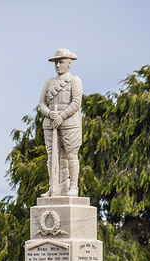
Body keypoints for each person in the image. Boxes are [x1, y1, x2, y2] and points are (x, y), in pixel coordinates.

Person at [39, 48, 82, 197]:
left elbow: (76, 103)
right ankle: (53, 187)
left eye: (61, 62)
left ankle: (73, 188)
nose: (58, 65)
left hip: (70, 124)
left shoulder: (75, 81)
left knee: (71, 155)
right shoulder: (49, 83)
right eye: (56, 62)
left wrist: (62, 116)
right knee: (52, 156)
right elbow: (42, 104)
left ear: (69, 64)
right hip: (50, 124)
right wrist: (50, 113)